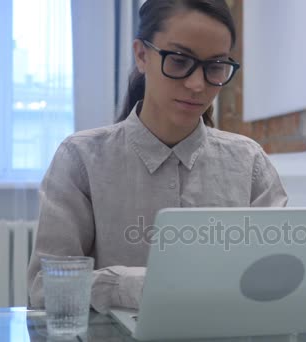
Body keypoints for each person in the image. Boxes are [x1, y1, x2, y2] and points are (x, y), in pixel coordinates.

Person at [27, 0, 287, 313]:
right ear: (141, 55)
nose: (197, 85)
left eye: (215, 67)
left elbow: (279, 275)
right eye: (179, 60)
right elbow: (46, 286)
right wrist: (136, 287)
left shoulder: (250, 163)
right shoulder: (81, 158)